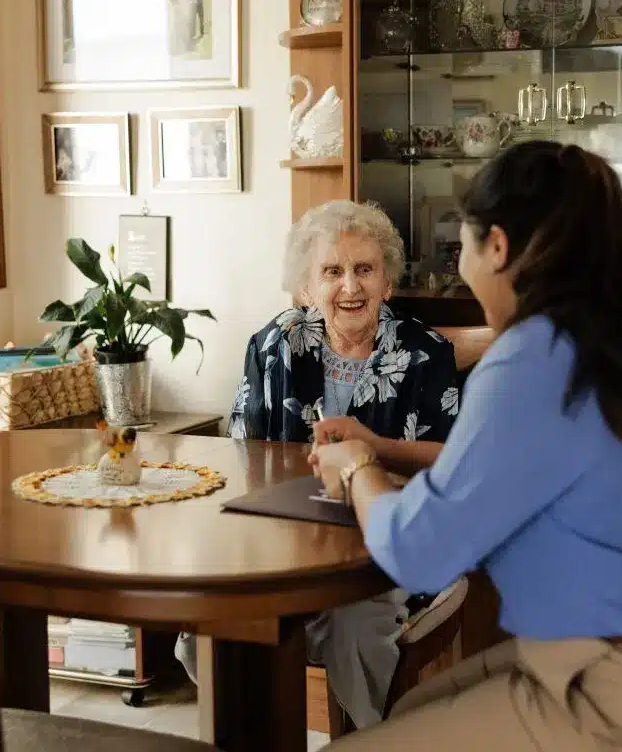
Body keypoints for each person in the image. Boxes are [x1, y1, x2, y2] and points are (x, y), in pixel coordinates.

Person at [309, 141, 622, 750]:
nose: (459, 264)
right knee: (409, 706)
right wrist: (383, 446)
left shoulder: (533, 358)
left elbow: (415, 552)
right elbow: (508, 467)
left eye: (460, 246)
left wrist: (356, 465)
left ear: (497, 247)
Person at [175, 200, 460, 729]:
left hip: (384, 546)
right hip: (283, 545)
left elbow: (447, 471)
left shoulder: (427, 354)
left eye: (365, 270)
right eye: (332, 271)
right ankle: (252, 733)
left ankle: (366, 737)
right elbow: (243, 457)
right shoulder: (272, 346)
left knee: (354, 622)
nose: (350, 287)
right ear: (307, 287)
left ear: (388, 283)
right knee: (215, 615)